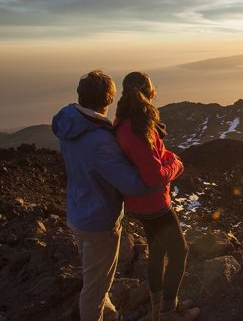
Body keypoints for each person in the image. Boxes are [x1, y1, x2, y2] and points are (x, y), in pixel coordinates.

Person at [52, 70, 170, 321]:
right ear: (108, 100)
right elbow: (135, 184)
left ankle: (111, 314)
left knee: (95, 276)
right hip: (99, 220)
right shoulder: (100, 140)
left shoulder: (70, 124)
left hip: (78, 212)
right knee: (94, 290)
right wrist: (167, 171)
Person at [113, 72, 198, 320]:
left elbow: (148, 158)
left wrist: (165, 157)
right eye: (152, 89)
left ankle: (156, 310)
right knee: (179, 252)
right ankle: (169, 312)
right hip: (154, 203)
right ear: (148, 92)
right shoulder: (137, 128)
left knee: (157, 251)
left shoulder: (124, 121)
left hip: (139, 203)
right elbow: (154, 175)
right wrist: (177, 165)